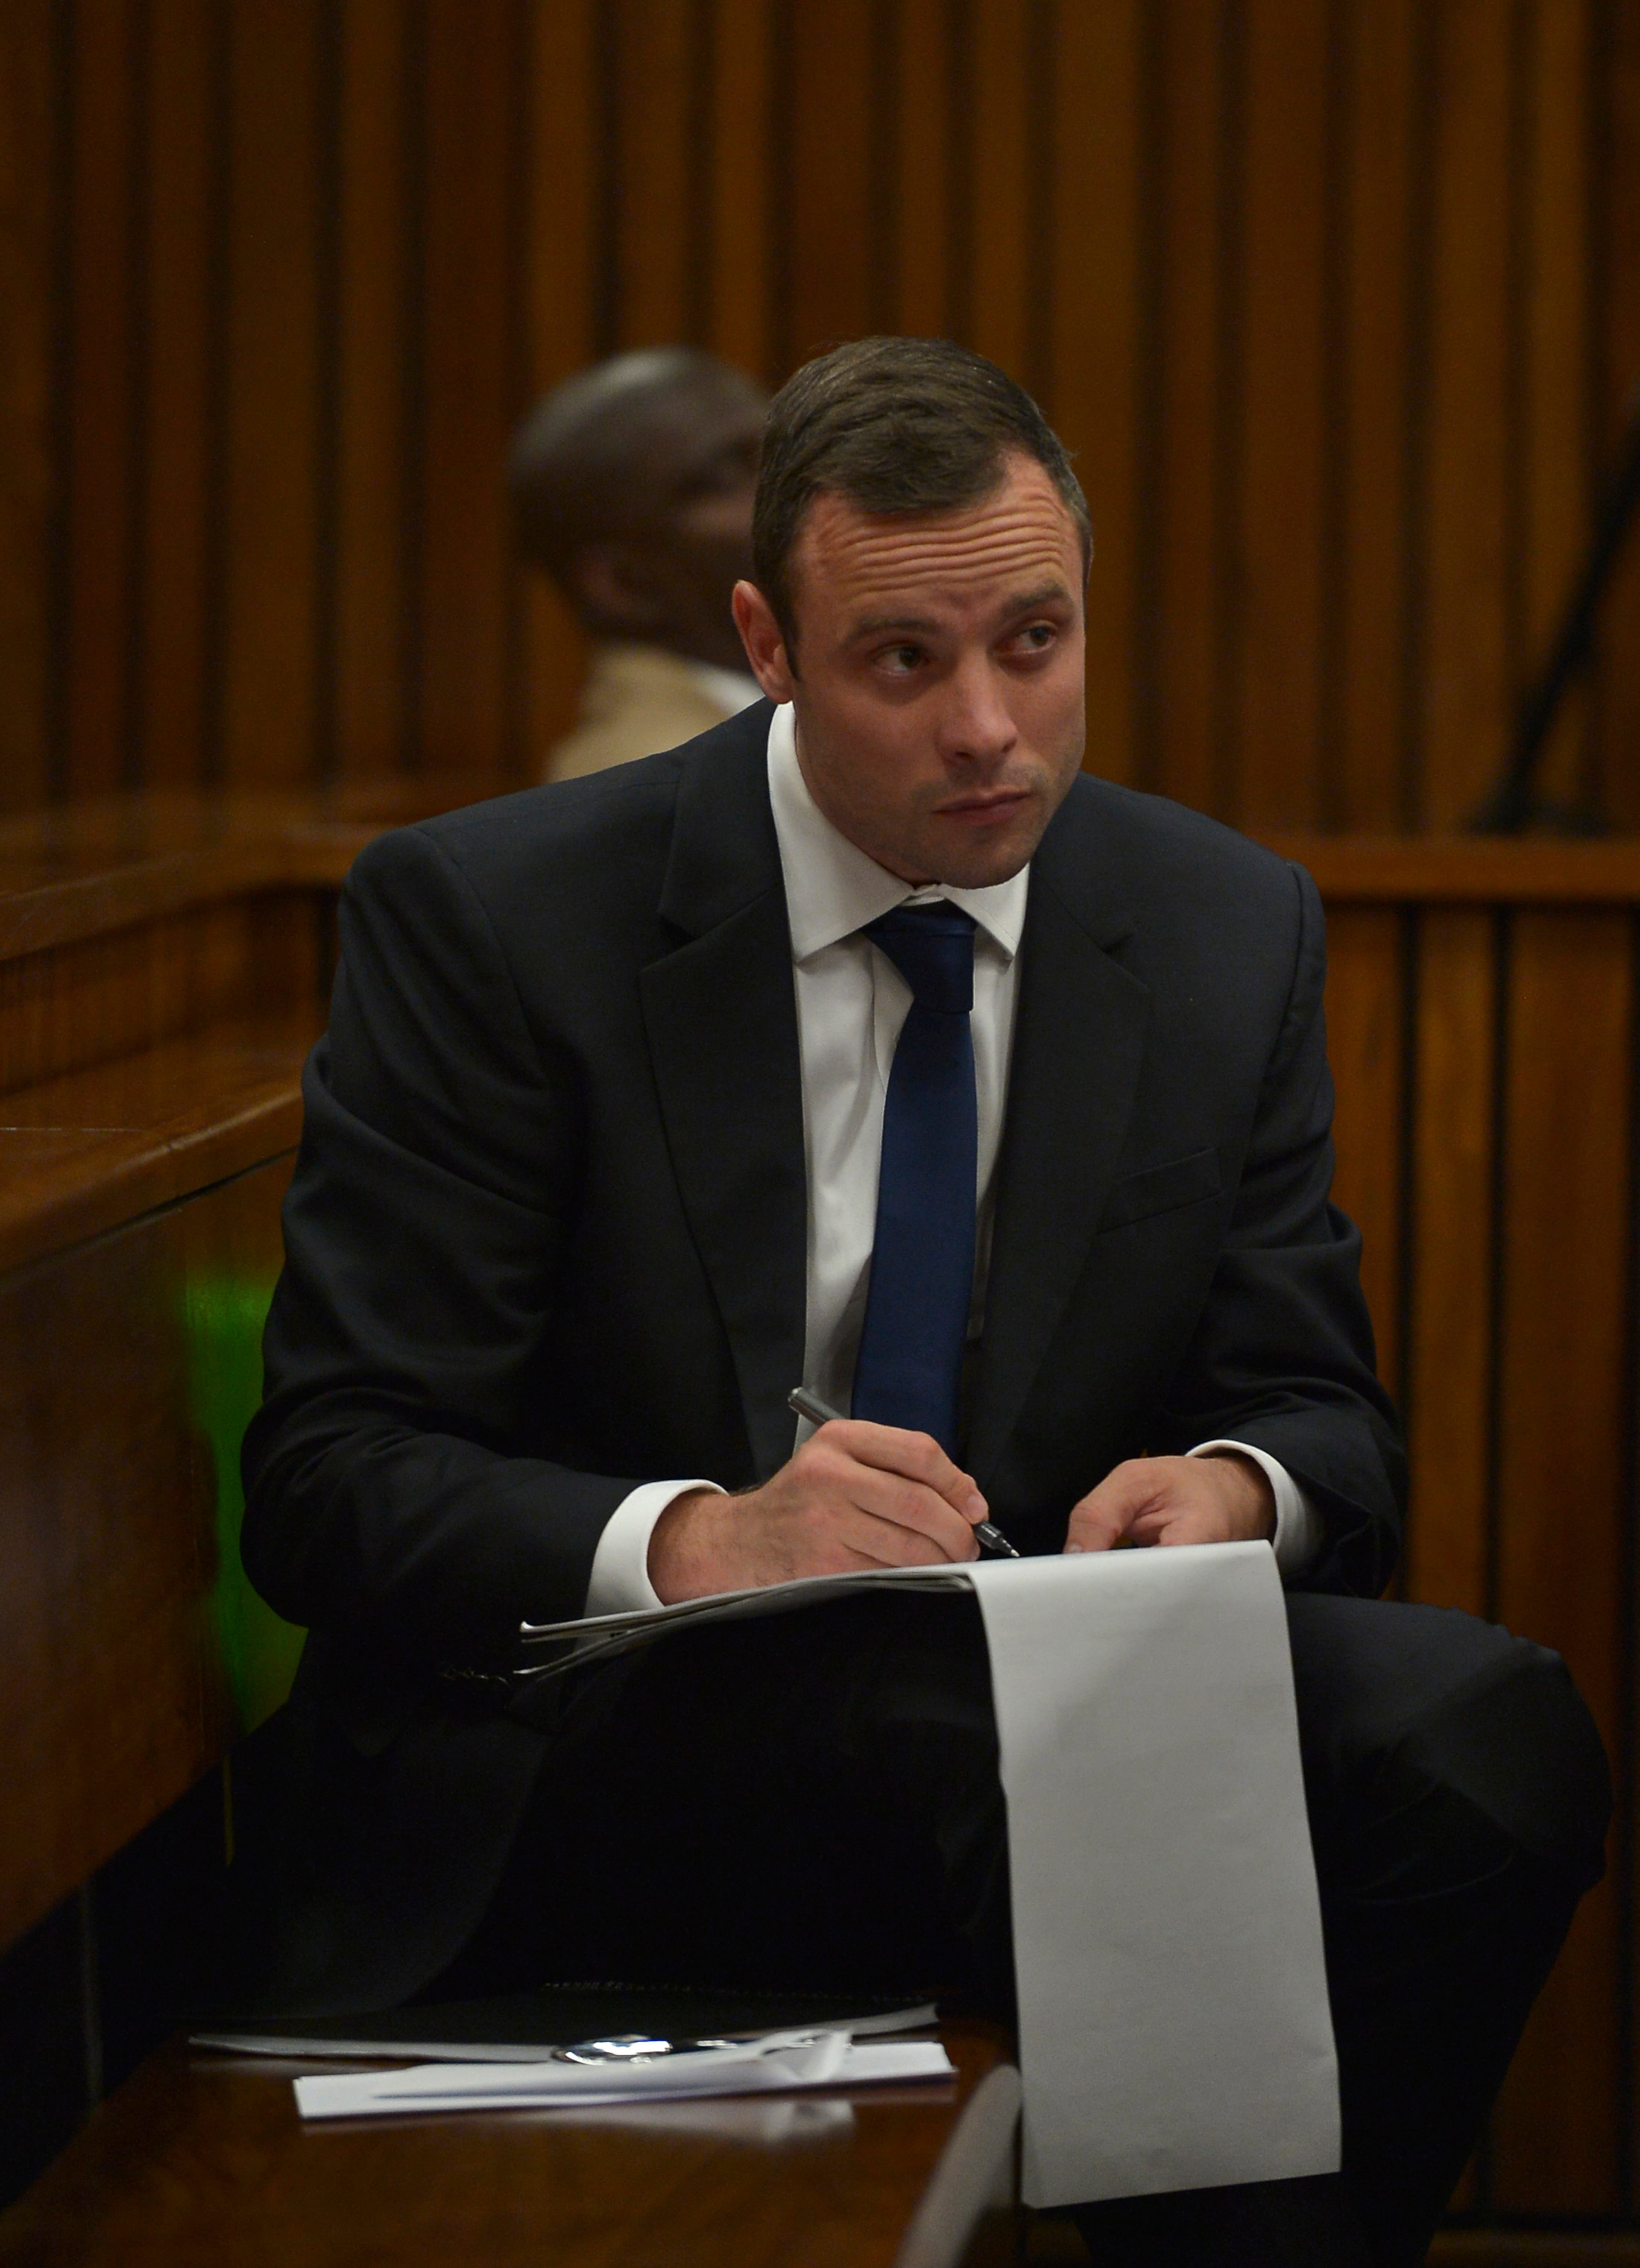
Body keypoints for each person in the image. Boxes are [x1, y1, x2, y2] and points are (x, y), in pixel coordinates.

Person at [239, 339, 1608, 2267]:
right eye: (904, 659)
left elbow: (1326, 1420)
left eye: (1035, 642)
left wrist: (1236, 1486)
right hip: (601, 1739)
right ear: (768, 644)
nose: (988, 727)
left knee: (1485, 1735)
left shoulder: (1217, 924)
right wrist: (703, 1538)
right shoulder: (499, 916)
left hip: (1036, 1697)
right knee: (1059, 1772)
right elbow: (328, 1478)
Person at [510, 346, 767, 782]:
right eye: (727, 479)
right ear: (625, 585)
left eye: (788, 455)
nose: (801, 490)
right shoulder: (656, 784)